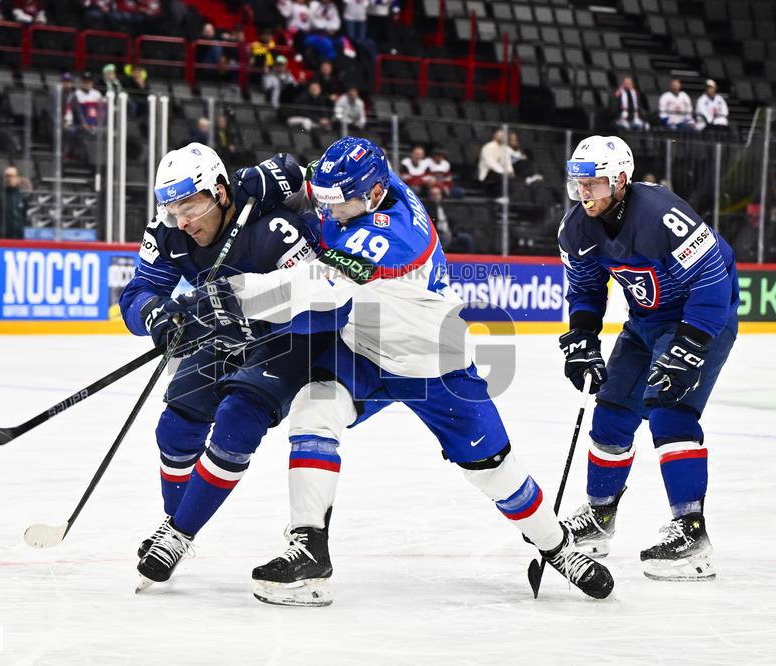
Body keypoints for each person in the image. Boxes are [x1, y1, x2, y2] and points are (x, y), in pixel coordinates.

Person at [176, 137, 615, 605]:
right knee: (313, 407)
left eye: (338, 204)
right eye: (325, 200)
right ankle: (309, 548)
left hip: (431, 358)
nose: (329, 211)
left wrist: (230, 296)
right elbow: (309, 183)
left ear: (375, 195)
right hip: (365, 344)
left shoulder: (392, 235)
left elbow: (317, 284)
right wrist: (274, 177)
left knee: (493, 469)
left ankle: (556, 545)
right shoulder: (354, 185)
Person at [119, 145, 328, 592]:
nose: (183, 222)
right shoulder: (168, 230)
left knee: (238, 419)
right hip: (222, 330)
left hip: (289, 338)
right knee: (174, 427)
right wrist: (155, 314)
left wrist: (250, 308)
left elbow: (323, 298)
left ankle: (175, 535)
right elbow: (135, 294)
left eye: (191, 207)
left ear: (220, 191)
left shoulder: (276, 229)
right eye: (173, 209)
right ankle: (176, 525)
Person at [557, 135, 738, 581]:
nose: (584, 193)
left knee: (669, 413)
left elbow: (712, 282)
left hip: (701, 318)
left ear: (620, 180)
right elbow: (584, 287)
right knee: (613, 411)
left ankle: (691, 535)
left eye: (594, 184)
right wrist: (582, 337)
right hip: (645, 321)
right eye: (578, 183)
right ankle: (599, 518)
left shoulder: (662, 214)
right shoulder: (575, 228)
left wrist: (690, 346)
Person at [0, 166, 29, 238]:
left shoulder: (22, 198)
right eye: (7, 176)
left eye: (12, 176)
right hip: (0, 239)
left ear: (17, 178)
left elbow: (23, 217)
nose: (9, 178)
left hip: (18, 240)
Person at [478, 128, 513, 196]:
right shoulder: (488, 147)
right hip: (488, 173)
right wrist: (503, 172)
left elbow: (508, 162)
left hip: (501, 173)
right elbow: (491, 163)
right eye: (500, 135)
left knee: (512, 178)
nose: (502, 137)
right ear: (495, 136)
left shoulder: (505, 148)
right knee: (503, 177)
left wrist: (510, 171)